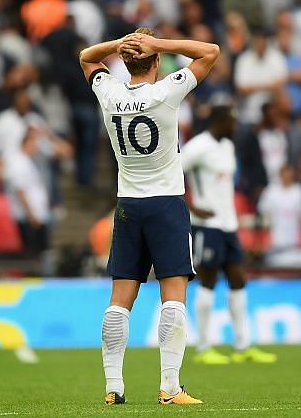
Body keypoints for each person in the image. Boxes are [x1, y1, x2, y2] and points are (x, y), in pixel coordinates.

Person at [79, 28, 219, 405]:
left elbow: (87, 57)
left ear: (125, 61)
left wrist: (118, 44)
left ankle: (113, 387)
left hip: (127, 205)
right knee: (173, 297)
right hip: (166, 204)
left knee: (119, 300)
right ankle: (170, 388)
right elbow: (210, 51)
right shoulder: (166, 92)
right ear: (155, 61)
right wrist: (159, 43)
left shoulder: (109, 93)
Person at [181, 104, 277, 365]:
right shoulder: (197, 147)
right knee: (208, 281)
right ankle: (203, 348)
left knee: (238, 279)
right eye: (232, 122)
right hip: (206, 224)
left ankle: (242, 345)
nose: (235, 128)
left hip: (229, 224)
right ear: (220, 121)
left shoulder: (227, 147)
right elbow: (172, 172)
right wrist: (191, 205)